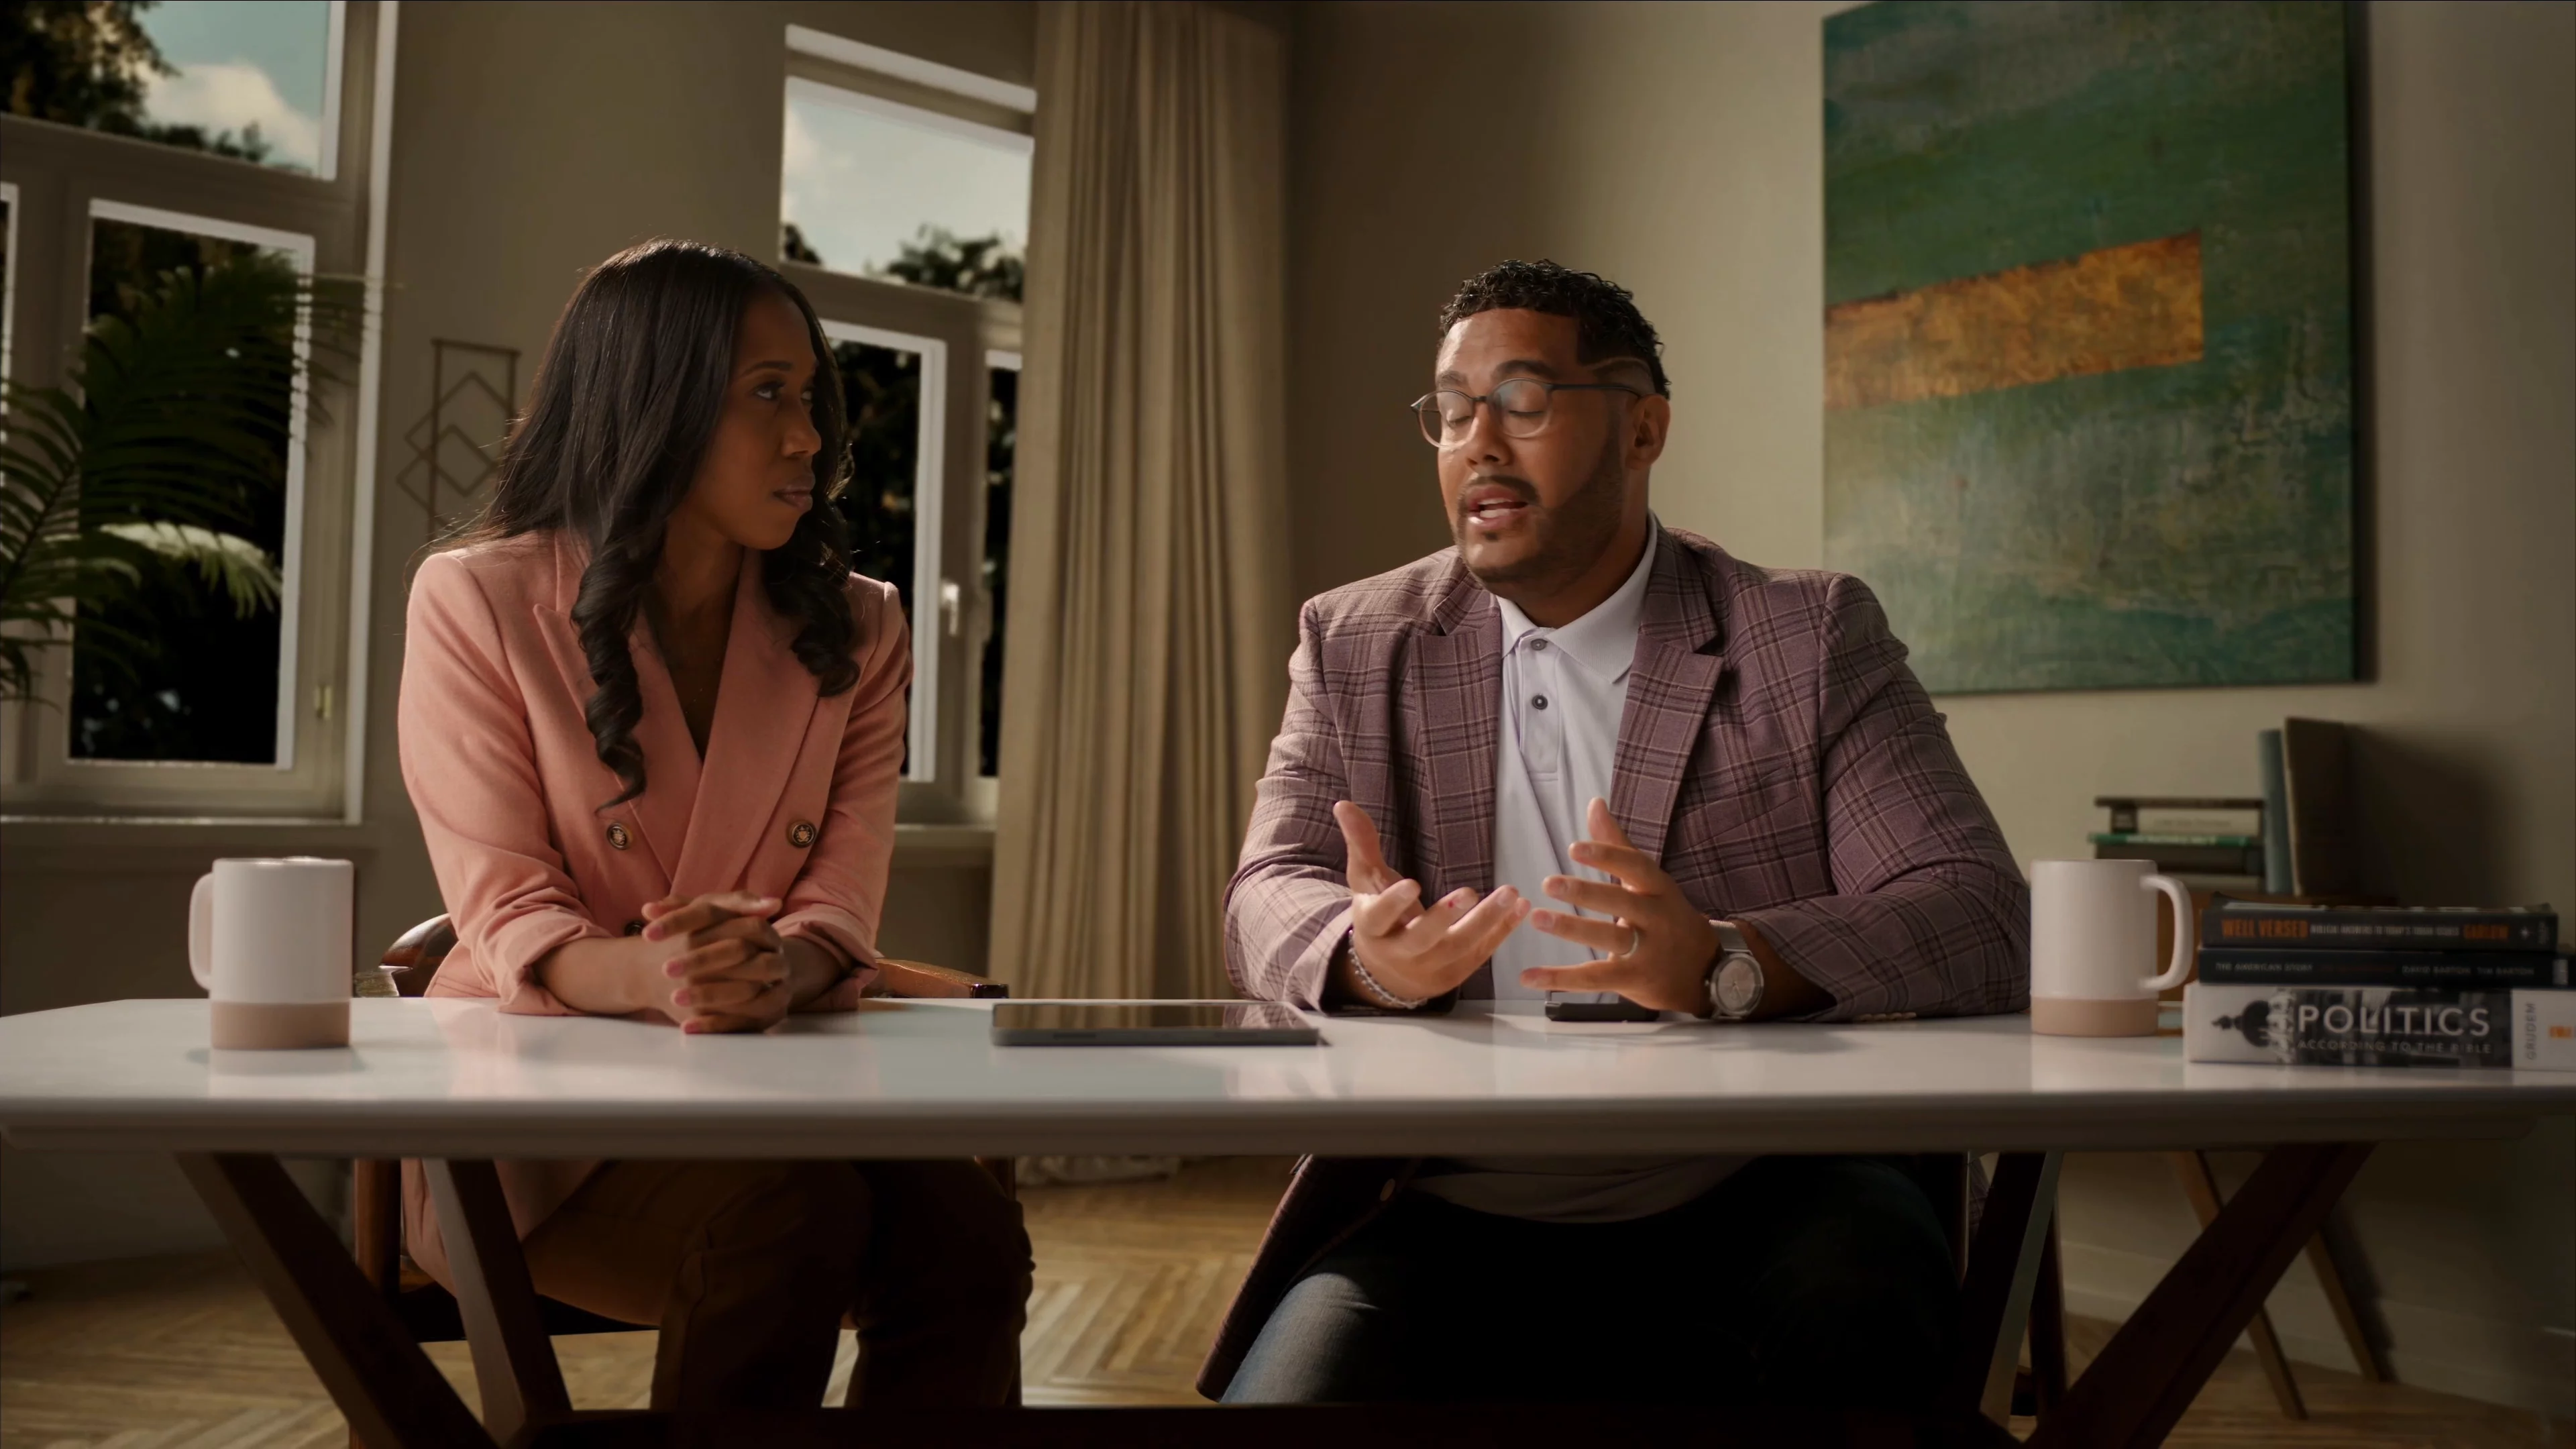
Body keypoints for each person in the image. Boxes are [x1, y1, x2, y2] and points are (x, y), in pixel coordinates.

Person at [1208, 260, 2029, 1407]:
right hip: (1447, 1201)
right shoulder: (1356, 639)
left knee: (1866, 1312)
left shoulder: (1804, 635)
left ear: (1643, 429)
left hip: (1771, 1185)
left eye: (1522, 401)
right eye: (1452, 411)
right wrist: (1366, 958)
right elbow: (1266, 889)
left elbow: (1979, 911)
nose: (1478, 444)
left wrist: (1727, 963)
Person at [396, 239, 1030, 1411]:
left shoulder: (862, 628)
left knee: (970, 1240)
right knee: (790, 1214)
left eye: (813, 397)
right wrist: (664, 973)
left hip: (780, 1083)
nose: (810, 438)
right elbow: (507, 910)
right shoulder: (476, 601)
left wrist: (778, 968)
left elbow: (841, 898)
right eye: (769, 395)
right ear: (655, 405)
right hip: (536, 1125)